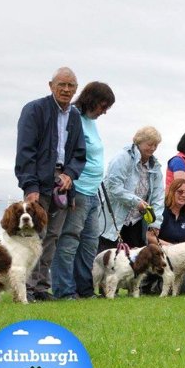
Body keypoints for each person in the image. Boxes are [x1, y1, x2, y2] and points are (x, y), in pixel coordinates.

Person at [14, 67, 86, 302]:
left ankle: (41, 288)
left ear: (76, 89)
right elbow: (25, 152)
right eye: (61, 84)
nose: (66, 89)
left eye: (71, 86)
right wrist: (30, 186)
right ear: (51, 85)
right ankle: (26, 288)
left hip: (62, 186)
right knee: (34, 237)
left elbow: (79, 153)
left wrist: (70, 175)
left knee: (52, 237)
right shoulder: (34, 110)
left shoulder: (75, 116)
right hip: (38, 184)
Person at [51, 81, 113, 300]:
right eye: (103, 106)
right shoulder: (73, 117)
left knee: (90, 241)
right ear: (92, 100)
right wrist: (70, 189)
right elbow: (67, 153)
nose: (104, 112)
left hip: (93, 191)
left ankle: (84, 289)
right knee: (69, 240)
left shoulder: (90, 121)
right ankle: (64, 290)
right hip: (77, 189)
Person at [99, 126, 165, 251]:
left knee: (133, 263)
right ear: (138, 142)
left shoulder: (155, 167)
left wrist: (155, 223)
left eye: (156, 145)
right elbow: (113, 186)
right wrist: (136, 202)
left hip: (137, 223)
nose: (152, 148)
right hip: (114, 222)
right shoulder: (122, 157)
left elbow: (158, 196)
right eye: (149, 144)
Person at [157, 179, 185, 246]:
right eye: (180, 192)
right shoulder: (161, 211)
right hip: (160, 252)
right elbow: (151, 238)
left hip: (181, 254)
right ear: (172, 192)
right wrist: (173, 248)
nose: (183, 195)